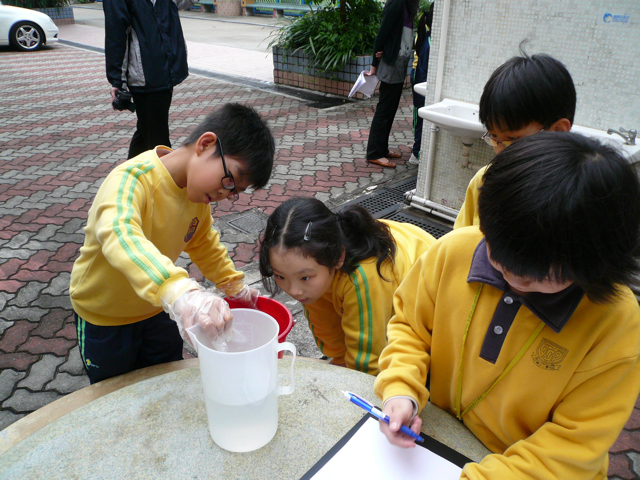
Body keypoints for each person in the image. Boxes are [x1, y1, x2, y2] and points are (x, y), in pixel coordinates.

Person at [374, 132, 640, 479]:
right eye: (498, 256)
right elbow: (410, 326)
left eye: (537, 276)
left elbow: (571, 448)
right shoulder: (454, 252)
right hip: (435, 445)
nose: (514, 278)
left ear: (597, 263)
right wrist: (401, 389)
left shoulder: (615, 325)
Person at [70, 103, 276, 384]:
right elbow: (121, 235)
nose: (224, 194)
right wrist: (180, 291)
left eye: (235, 192)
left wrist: (234, 287)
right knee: (114, 392)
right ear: (206, 144)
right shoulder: (131, 180)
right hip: (106, 318)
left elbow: (205, 245)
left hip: (159, 309)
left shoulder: (197, 198)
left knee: (165, 381)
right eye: (230, 181)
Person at [258, 197, 436, 375]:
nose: (293, 291)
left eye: (304, 278)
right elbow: (328, 329)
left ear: (338, 257)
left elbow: (369, 361)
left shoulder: (363, 277)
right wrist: (340, 361)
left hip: (435, 294)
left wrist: (354, 376)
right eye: (280, 276)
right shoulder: (314, 266)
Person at [453, 52, 576, 228]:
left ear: (558, 131)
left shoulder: (579, 194)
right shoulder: (484, 181)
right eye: (494, 138)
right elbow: (461, 240)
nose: (500, 153)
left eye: (512, 139)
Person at [103, 0, 194, 160]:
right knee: (158, 142)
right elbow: (116, 35)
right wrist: (118, 79)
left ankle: (128, 180)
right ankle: (167, 180)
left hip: (167, 70)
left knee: (146, 133)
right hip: (144, 75)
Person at [364, 0, 420, 168]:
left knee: (391, 109)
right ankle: (374, 153)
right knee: (384, 110)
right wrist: (374, 65)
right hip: (390, 64)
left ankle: (382, 149)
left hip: (399, 66)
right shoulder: (396, 3)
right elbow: (382, 33)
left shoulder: (408, 6)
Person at [408, 1, 434, 165]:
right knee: (420, 117)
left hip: (418, 76)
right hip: (420, 78)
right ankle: (416, 153)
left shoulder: (426, 36)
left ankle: (418, 150)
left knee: (420, 117)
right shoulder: (430, 42)